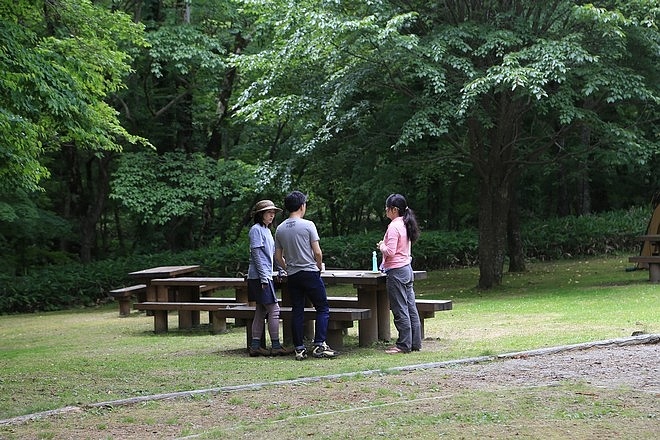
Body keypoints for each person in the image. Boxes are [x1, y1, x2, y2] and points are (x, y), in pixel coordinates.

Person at [274, 190, 339, 360]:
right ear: (302, 206)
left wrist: (286, 267)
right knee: (322, 307)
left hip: (293, 275)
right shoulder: (308, 225)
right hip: (310, 272)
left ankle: (299, 348)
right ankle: (319, 344)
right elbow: (317, 252)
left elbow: (277, 256)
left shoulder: (280, 229)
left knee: (298, 310)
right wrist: (318, 266)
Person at [377, 193, 422, 354]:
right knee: (411, 307)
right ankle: (415, 342)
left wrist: (382, 245)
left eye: (387, 208)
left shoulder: (394, 226)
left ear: (394, 210)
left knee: (400, 309)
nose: (386, 211)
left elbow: (390, 251)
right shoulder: (405, 223)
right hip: (407, 269)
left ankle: (403, 345)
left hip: (396, 271)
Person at [247, 200, 292, 357]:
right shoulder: (256, 230)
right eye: (268, 212)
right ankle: (276, 345)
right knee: (274, 309)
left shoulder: (267, 231)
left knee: (260, 311)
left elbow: (273, 254)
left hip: (265, 276)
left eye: (273, 213)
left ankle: (255, 346)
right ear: (261, 215)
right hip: (259, 277)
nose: (272, 215)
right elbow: (257, 255)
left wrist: (280, 269)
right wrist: (264, 278)